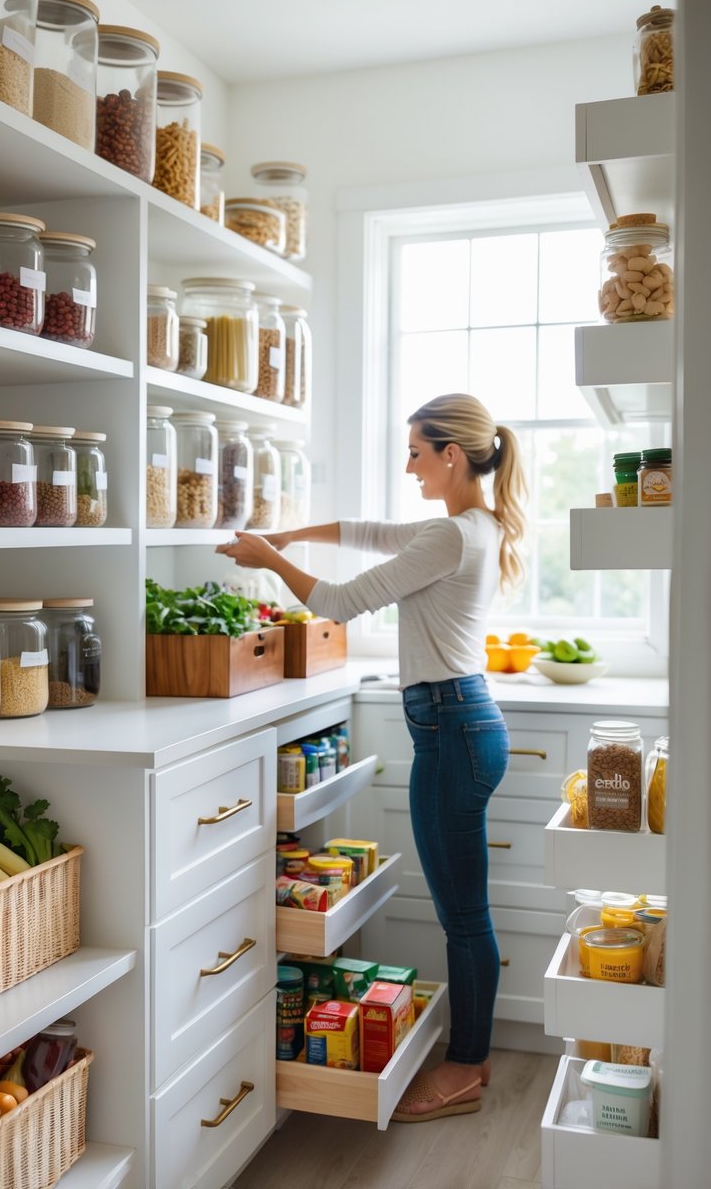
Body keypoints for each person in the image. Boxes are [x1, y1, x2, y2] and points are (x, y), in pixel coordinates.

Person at [216, 391, 527, 1123]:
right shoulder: (466, 527)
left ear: (451, 455)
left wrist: (266, 559)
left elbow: (340, 601)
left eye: (416, 451)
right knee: (464, 911)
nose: (408, 464)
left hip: (452, 733)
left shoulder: (450, 537)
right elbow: (368, 532)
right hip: (459, 726)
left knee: (462, 917)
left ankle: (465, 1066)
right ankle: (470, 1058)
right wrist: (292, 532)